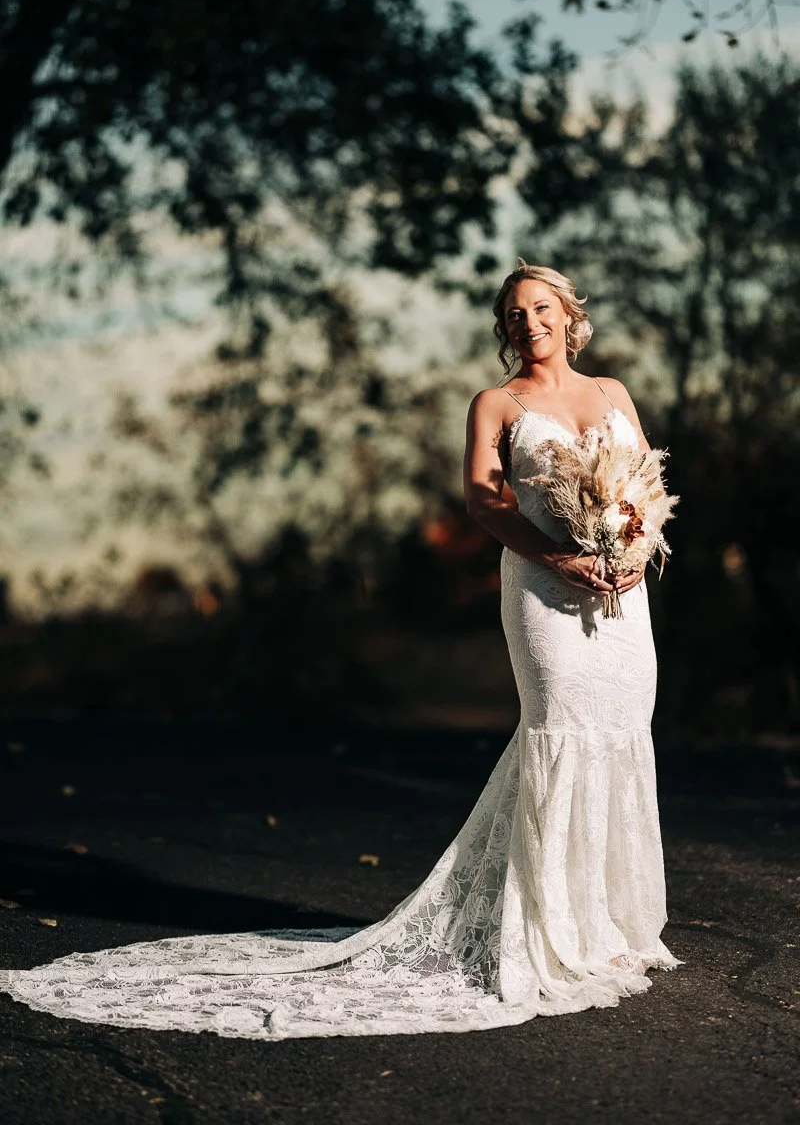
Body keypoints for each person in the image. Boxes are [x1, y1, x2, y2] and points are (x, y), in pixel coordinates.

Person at [0, 261, 682, 1041]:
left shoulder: (614, 395)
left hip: (623, 600)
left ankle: (613, 929)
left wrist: (632, 551)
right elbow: (483, 500)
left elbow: (641, 491)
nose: (529, 323)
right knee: (559, 732)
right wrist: (559, 557)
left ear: (568, 315)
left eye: (540, 309)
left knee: (621, 734)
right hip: (543, 592)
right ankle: (553, 933)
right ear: (505, 328)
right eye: (514, 313)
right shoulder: (497, 404)